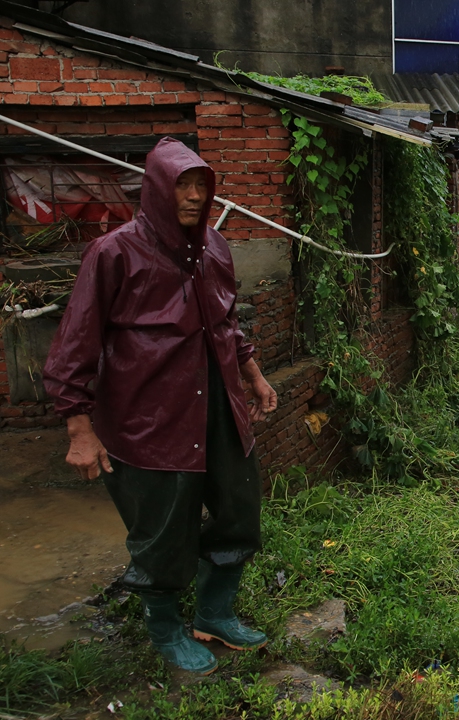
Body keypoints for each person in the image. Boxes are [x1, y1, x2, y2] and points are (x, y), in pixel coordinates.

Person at [42, 137, 278, 674]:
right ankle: (166, 626)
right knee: (162, 526)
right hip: (147, 418)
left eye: (201, 185)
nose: (194, 196)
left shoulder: (215, 247)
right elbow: (75, 343)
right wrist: (80, 430)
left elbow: (226, 321)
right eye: (182, 185)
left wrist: (254, 376)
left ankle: (215, 613)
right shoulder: (114, 252)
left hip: (218, 405)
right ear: (155, 190)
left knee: (239, 510)